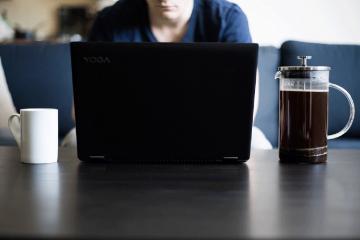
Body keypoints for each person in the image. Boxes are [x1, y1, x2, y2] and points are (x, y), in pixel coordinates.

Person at [62, 0, 272, 149]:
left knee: (257, 143)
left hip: (209, 135)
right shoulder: (109, 20)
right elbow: (81, 110)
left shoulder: (227, 18)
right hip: (127, 135)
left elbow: (246, 106)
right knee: (74, 140)